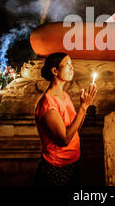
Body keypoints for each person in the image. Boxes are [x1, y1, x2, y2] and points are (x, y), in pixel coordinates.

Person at [34, 52, 98, 186]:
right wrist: (83, 108)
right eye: (67, 64)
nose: (72, 68)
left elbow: (75, 129)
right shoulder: (48, 105)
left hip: (73, 160)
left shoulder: (64, 95)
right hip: (57, 166)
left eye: (72, 64)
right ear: (54, 71)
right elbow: (64, 140)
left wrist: (83, 107)